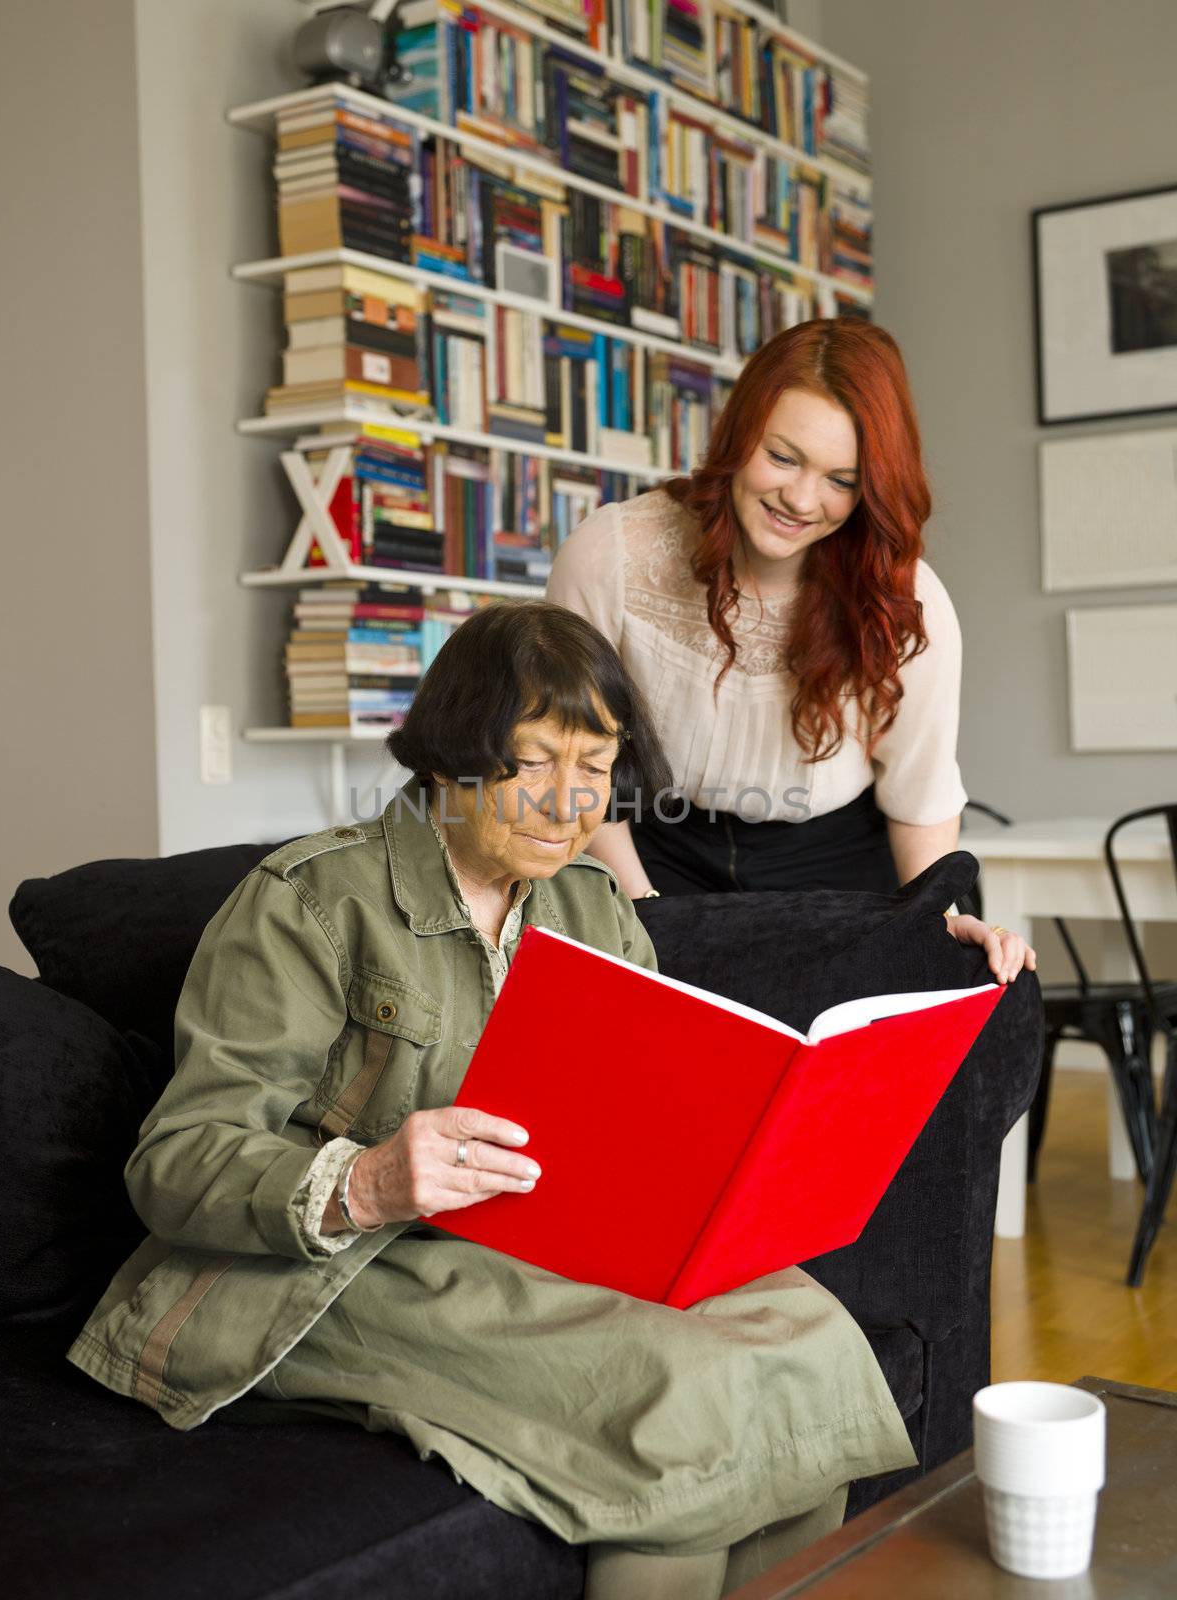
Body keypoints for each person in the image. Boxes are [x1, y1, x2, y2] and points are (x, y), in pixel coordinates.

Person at [69, 602, 919, 1600]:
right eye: (535, 764)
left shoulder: (593, 909)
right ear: (450, 758)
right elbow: (176, 1158)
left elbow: (634, 1121)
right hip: (346, 1266)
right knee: (681, 1391)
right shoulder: (309, 902)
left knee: (809, 1334)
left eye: (595, 770)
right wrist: (372, 1181)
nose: (570, 804)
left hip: (538, 1244)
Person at [546, 318, 1035, 986]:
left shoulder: (907, 599)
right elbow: (572, 760)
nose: (802, 500)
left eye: (841, 478)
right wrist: (642, 915)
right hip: (650, 849)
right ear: (739, 434)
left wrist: (930, 917)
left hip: (837, 865)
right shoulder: (612, 557)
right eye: (783, 457)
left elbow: (918, 791)